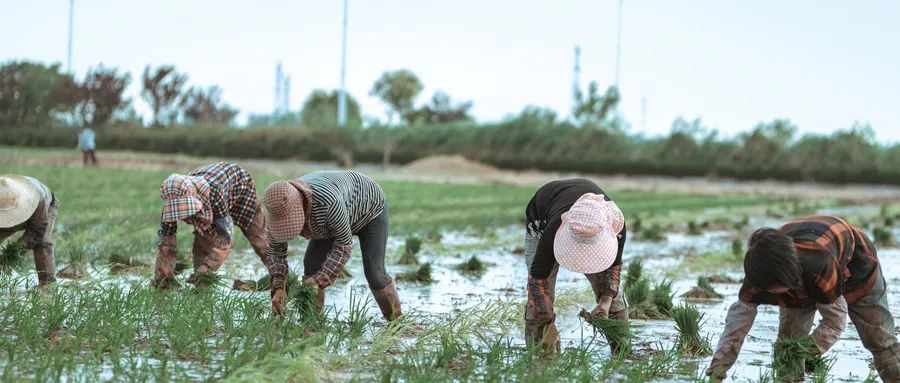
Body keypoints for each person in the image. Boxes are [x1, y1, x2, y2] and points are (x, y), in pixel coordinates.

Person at [707, 215, 900, 382]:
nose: (773, 296)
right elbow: (735, 329)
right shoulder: (759, 273)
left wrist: (805, 351)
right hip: (804, 264)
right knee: (788, 340)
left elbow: (835, 321)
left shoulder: (818, 264)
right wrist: (717, 372)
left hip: (855, 263)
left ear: (789, 277)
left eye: (776, 289)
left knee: (879, 338)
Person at [263, 170, 401, 321]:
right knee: (311, 265)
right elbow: (275, 252)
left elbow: (344, 245)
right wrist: (279, 287)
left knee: (375, 273)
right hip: (332, 217)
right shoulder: (277, 209)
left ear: (301, 205)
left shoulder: (328, 203)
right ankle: (311, 323)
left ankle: (396, 320)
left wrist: (320, 281)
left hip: (369, 207)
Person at [524, 178, 628, 353]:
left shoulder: (615, 225)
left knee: (614, 298)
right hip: (542, 220)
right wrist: (547, 323)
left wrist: (605, 302)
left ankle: (622, 351)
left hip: (591, 219)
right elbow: (538, 281)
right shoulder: (551, 232)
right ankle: (541, 355)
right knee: (539, 299)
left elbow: (613, 271)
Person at [153, 162, 268, 288]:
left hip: (241, 188)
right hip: (213, 192)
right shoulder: (171, 202)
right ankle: (202, 286)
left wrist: (207, 267)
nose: (184, 216)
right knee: (202, 243)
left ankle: (282, 278)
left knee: (259, 238)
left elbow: (225, 239)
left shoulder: (214, 192)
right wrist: (163, 278)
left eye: (187, 210)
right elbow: (166, 244)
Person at [0, 175, 58, 286]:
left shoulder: (36, 198)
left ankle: (47, 286)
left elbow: (37, 231)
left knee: (42, 244)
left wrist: (14, 252)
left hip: (39, 213)